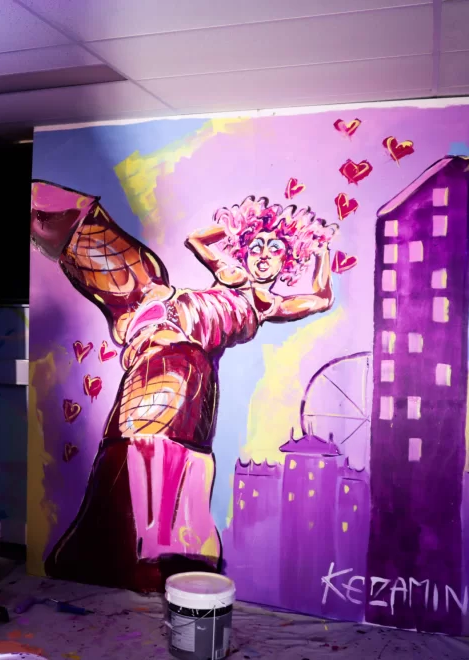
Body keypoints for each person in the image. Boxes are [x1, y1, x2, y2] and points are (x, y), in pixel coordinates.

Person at [31, 180, 337, 592]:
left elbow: (320, 298)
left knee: (171, 455)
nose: (264, 255)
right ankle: (124, 551)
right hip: (160, 336)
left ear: (288, 260)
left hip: (189, 372)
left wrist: (320, 249)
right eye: (257, 246)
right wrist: (240, 224)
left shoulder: (267, 304)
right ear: (246, 249)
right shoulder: (228, 272)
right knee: (140, 443)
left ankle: (156, 554)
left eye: (276, 249)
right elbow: (197, 239)